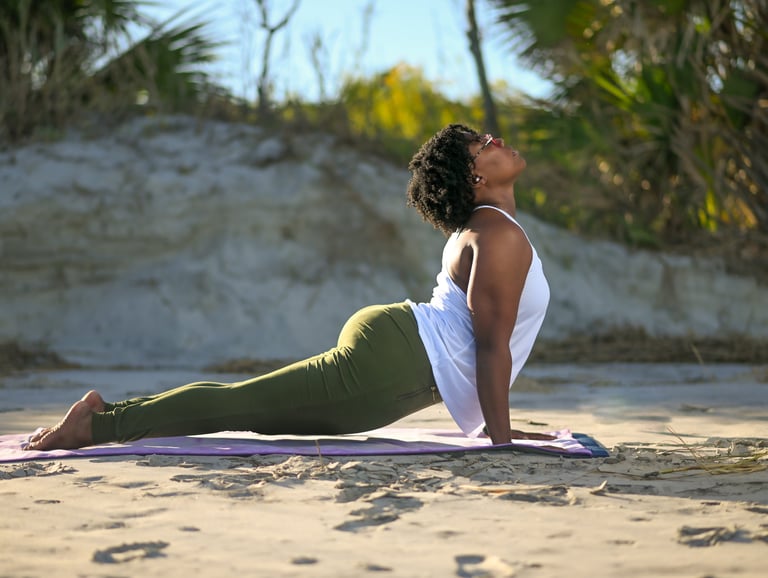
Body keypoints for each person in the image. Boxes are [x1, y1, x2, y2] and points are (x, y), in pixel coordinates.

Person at [25, 123, 551, 452]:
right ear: (475, 178)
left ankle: (106, 417)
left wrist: (496, 431)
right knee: (242, 407)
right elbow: (489, 346)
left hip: (399, 351)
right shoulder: (496, 235)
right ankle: (96, 426)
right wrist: (501, 443)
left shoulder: (492, 229)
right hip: (393, 365)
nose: (495, 139)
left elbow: (486, 343)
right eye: (482, 144)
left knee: (245, 403)